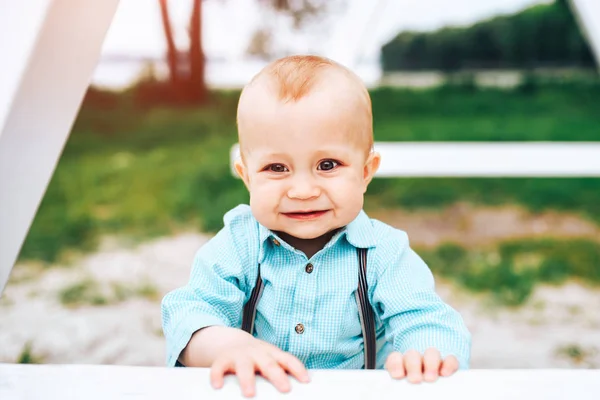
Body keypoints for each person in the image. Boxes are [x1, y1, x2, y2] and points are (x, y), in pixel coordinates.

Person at [161, 55, 471, 398]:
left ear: (365, 172)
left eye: (327, 164)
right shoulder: (240, 243)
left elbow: (426, 318)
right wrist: (225, 345)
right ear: (247, 177)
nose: (303, 191)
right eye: (277, 168)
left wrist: (426, 355)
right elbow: (188, 312)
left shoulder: (383, 251)